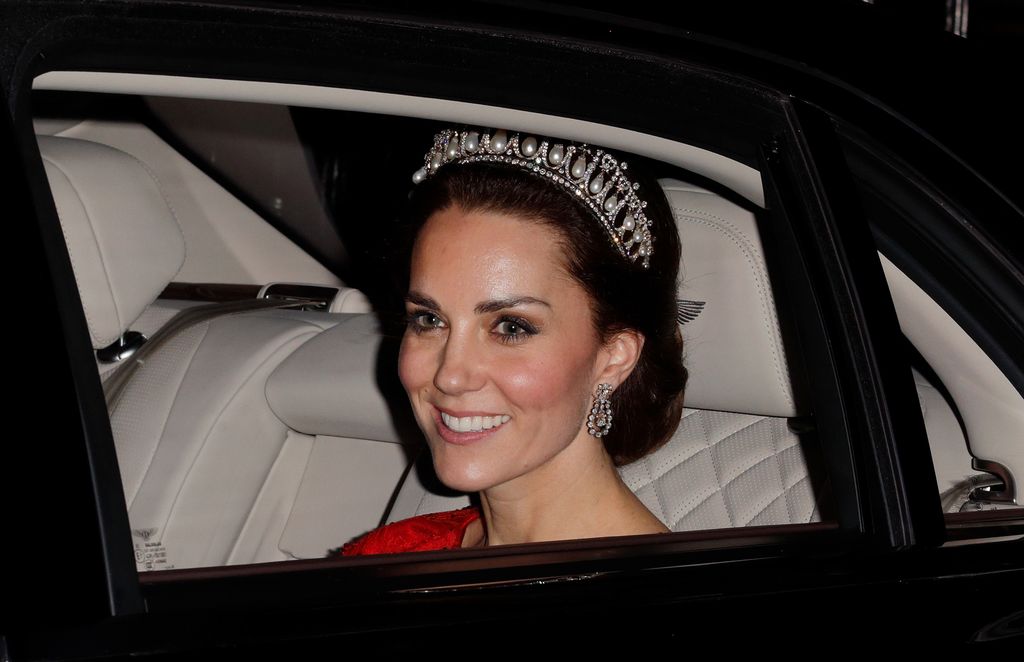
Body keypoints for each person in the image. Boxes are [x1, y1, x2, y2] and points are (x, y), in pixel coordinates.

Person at [330, 127, 687, 556]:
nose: (451, 376)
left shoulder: (676, 606)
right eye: (429, 319)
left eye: (511, 327)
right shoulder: (387, 556)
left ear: (613, 358)